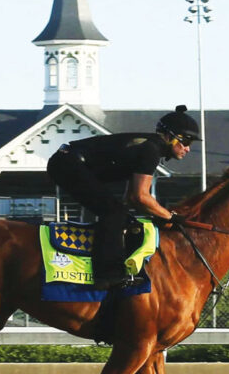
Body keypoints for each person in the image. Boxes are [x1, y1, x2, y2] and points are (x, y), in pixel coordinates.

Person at [46, 105, 201, 290]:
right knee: (114, 213)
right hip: (67, 163)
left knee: (121, 215)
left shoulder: (149, 147)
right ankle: (107, 277)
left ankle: (110, 268)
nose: (188, 149)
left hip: (68, 162)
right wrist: (170, 217)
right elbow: (141, 197)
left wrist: (154, 215)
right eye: (186, 142)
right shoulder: (150, 150)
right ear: (169, 137)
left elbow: (132, 198)